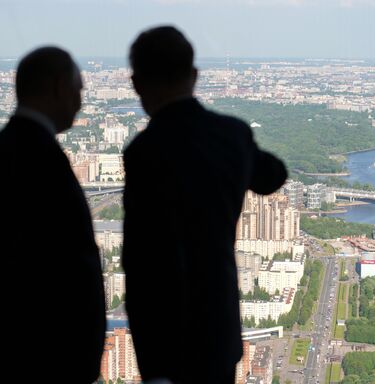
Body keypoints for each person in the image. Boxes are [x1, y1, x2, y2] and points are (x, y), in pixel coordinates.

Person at [122, 26, 287, 384]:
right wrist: (239, 152)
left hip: (163, 333)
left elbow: (138, 256)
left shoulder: (143, 152)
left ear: (137, 84)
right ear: (194, 76)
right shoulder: (231, 134)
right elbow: (273, 175)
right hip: (216, 324)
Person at [0, 47, 106, 384]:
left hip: (12, 353)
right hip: (48, 354)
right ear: (57, 87)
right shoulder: (42, 159)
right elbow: (64, 265)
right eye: (78, 89)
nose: (80, 101)